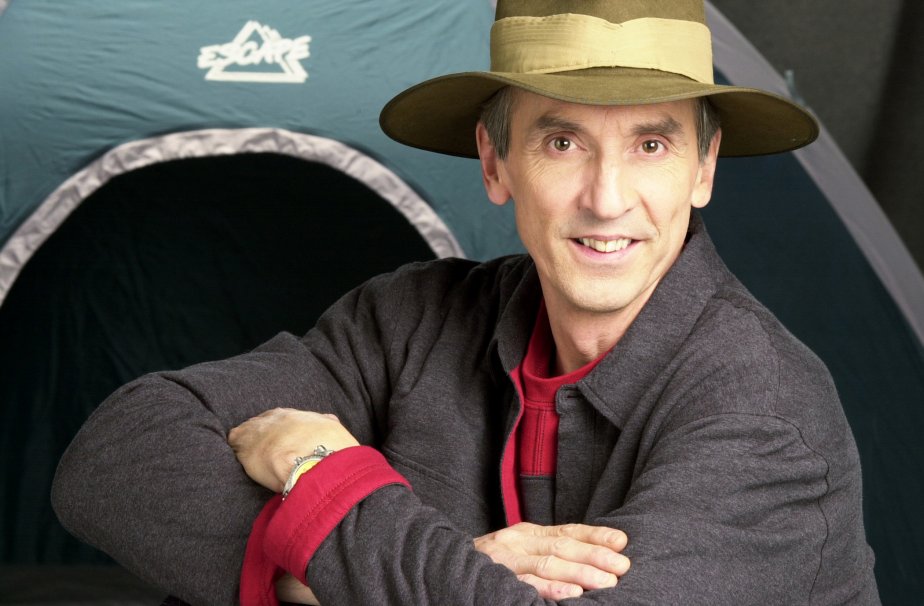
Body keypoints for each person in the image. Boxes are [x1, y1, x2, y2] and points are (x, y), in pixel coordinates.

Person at [52, 0, 880, 604]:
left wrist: (325, 478)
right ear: (494, 162)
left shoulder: (769, 410)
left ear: (702, 169)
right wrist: (437, 570)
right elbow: (115, 460)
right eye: (563, 141)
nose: (607, 197)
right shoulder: (411, 320)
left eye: (651, 144)